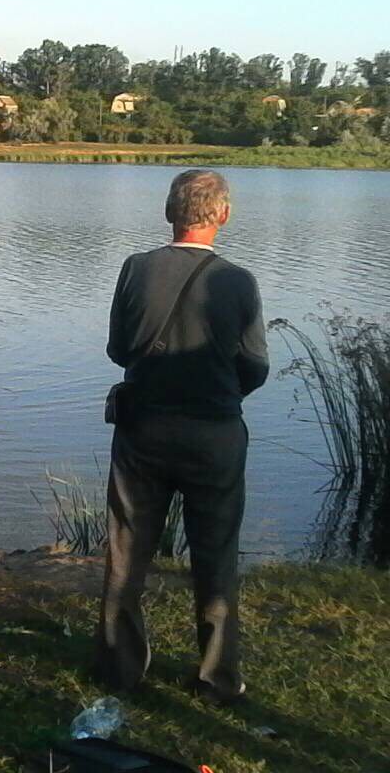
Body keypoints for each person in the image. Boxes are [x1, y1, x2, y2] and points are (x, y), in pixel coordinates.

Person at [95, 169, 269, 705]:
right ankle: (216, 679)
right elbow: (255, 367)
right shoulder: (238, 281)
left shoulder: (135, 268)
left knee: (127, 552)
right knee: (215, 554)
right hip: (214, 433)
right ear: (222, 214)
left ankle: (120, 669)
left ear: (169, 212)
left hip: (142, 429)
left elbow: (119, 350)